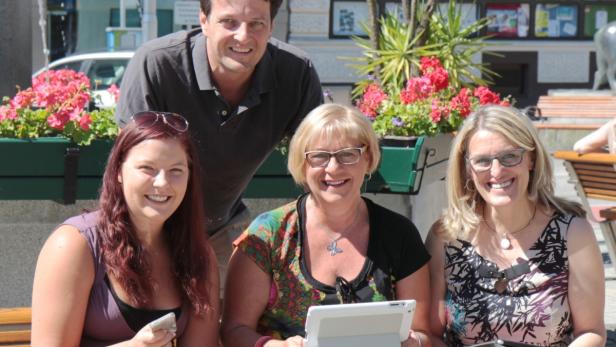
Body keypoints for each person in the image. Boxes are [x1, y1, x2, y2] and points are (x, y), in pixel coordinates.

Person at [116, 0, 323, 288]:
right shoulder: (157, 64)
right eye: (229, 22)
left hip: (220, 229)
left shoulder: (295, 72)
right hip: (145, 231)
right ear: (204, 20)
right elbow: (136, 169)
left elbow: (321, 160)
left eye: (256, 24)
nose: (243, 36)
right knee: (152, 327)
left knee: (223, 325)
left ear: (271, 27)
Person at [221, 103, 432, 347]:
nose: (333, 168)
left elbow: (424, 333)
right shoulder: (268, 233)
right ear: (302, 164)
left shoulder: (399, 234)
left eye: (348, 154)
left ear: (369, 159)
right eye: (319, 156)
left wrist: (413, 343)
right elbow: (234, 330)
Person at [31, 111, 219, 346]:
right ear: (119, 171)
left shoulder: (199, 255)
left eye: (176, 171)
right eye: (147, 168)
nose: (162, 182)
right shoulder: (74, 245)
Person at [426, 105, 606, 346]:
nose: (497, 171)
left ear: (531, 158)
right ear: (467, 169)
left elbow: (591, 332)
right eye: (482, 161)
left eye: (510, 156)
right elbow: (431, 335)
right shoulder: (446, 237)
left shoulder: (573, 233)